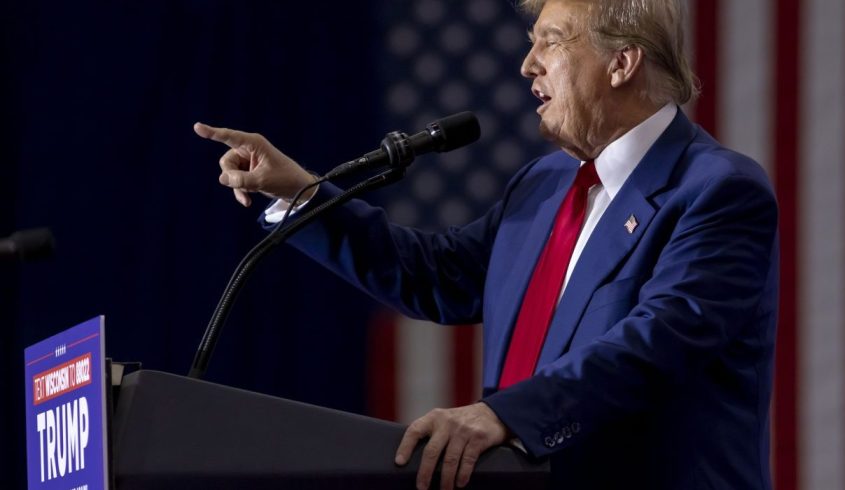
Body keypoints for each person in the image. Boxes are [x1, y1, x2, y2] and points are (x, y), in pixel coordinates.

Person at [194, 0, 778, 488]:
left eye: (549, 42)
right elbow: (435, 277)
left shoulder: (716, 191)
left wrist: (507, 416)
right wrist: (300, 194)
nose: (527, 65)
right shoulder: (543, 185)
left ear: (621, 62)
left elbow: (655, 343)